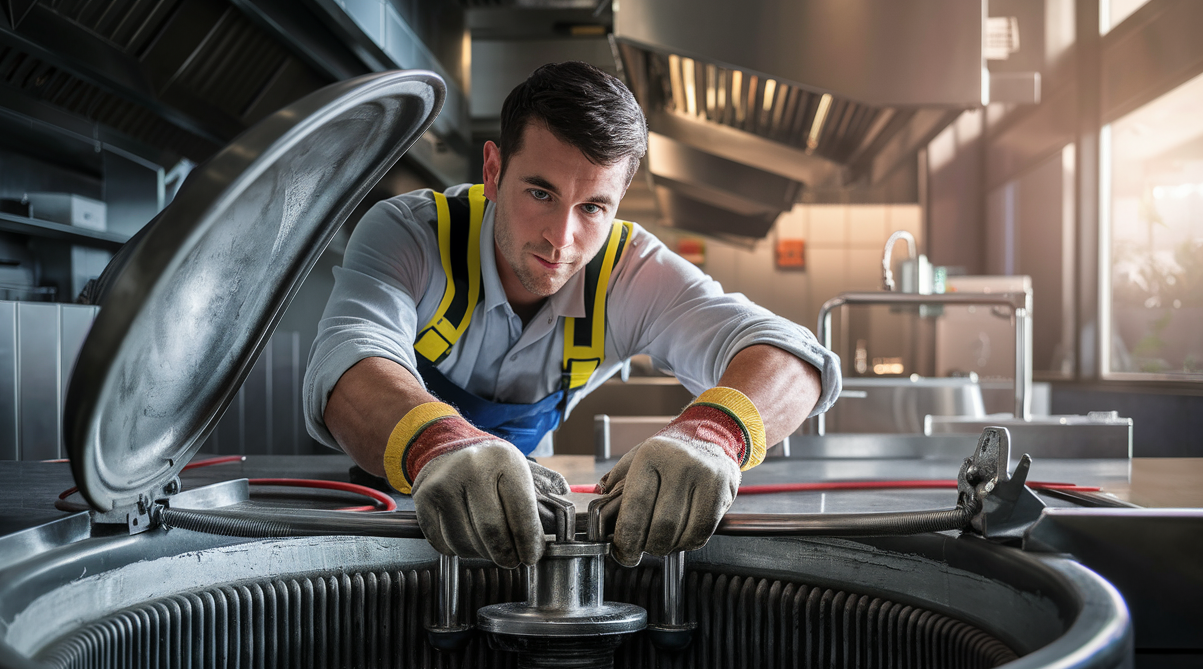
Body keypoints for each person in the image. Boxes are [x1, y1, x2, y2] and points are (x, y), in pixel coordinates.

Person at [303, 61, 841, 570]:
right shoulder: (412, 235)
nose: (561, 240)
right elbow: (348, 359)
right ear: (493, 170)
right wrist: (436, 445)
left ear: (619, 199)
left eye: (592, 208)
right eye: (540, 193)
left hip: (522, 519)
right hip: (384, 501)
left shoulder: (631, 272)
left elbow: (794, 358)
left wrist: (714, 435)